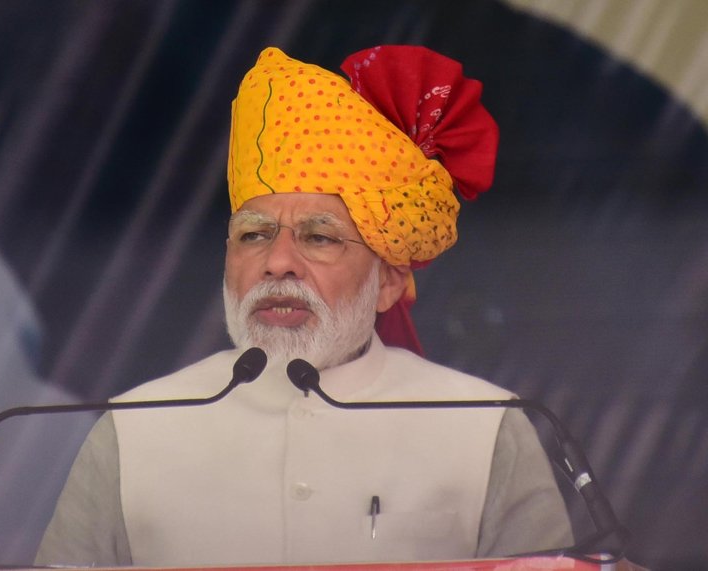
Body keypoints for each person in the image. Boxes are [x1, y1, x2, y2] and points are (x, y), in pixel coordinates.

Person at [35, 46, 572, 568]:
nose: (278, 263)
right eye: (254, 235)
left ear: (388, 280)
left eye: (319, 238)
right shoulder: (135, 429)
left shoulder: (483, 426)